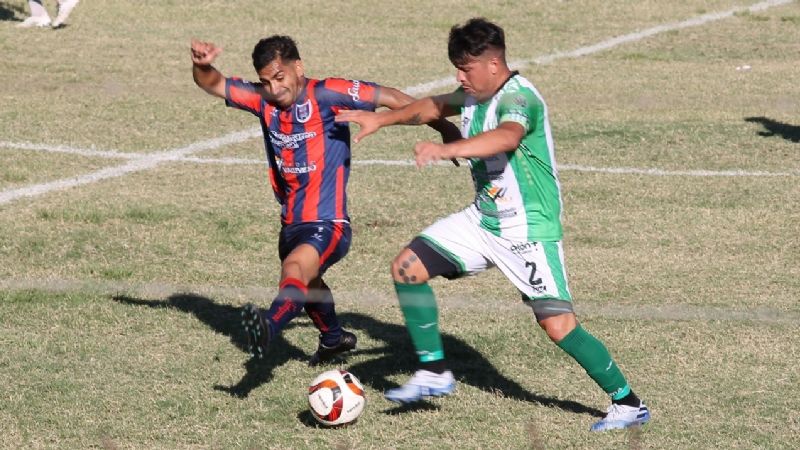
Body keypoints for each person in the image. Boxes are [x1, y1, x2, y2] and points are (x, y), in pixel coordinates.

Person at [335, 18, 650, 431]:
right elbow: (429, 106)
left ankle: (627, 403)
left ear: (494, 64)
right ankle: (434, 371)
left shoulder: (520, 98)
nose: (459, 77)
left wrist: (448, 147)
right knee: (406, 268)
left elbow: (507, 137)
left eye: (465, 69)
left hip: (527, 231)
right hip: (483, 221)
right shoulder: (472, 95)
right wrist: (381, 119)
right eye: (457, 68)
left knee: (558, 326)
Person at [190, 36, 460, 366]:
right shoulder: (263, 100)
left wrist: (444, 126)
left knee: (295, 272)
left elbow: (390, 96)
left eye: (280, 77)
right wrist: (202, 66)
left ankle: (268, 326)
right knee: (308, 282)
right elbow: (214, 83)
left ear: (298, 68)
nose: (274, 89)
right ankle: (333, 338)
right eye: (266, 81)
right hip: (291, 221)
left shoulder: (329, 93)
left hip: (327, 223)